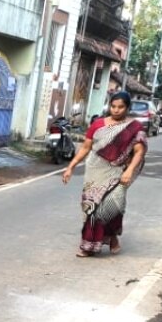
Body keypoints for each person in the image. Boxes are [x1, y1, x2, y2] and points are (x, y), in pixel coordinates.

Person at [60, 91, 148, 257]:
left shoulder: (134, 128)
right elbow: (86, 148)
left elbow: (139, 152)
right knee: (92, 208)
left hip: (118, 172)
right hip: (95, 171)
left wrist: (129, 170)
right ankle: (88, 245)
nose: (116, 110)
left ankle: (112, 236)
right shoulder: (98, 124)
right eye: (113, 106)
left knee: (114, 206)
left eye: (120, 107)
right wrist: (70, 167)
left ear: (127, 108)